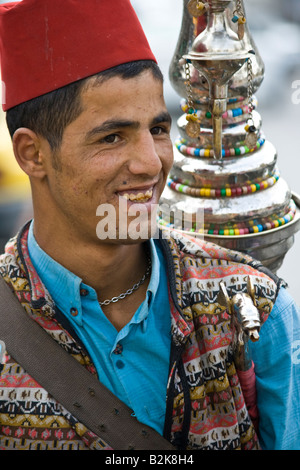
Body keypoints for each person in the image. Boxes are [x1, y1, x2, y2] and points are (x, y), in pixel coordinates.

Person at [0, 0, 299, 452]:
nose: (150, 164)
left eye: (158, 130)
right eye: (112, 137)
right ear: (32, 154)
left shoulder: (253, 306)